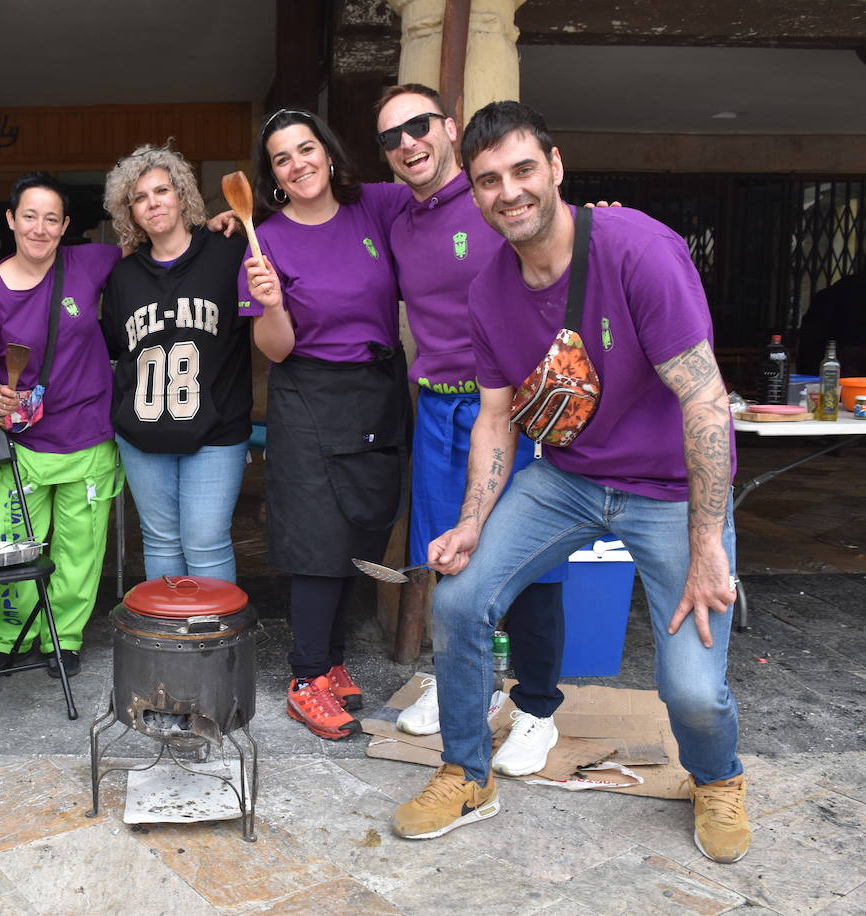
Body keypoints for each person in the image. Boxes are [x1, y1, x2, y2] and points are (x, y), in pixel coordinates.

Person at [390, 102, 749, 865]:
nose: (508, 191)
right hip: (569, 479)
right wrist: (471, 523)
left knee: (689, 688)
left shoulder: (637, 250)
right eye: (488, 180)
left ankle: (717, 778)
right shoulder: (489, 291)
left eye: (523, 170)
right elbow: (496, 420)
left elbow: (706, 399)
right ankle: (465, 772)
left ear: (555, 167)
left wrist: (709, 541)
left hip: (669, 492)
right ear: (475, 191)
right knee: (457, 599)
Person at [376, 83, 568, 777]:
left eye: (419, 126)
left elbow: (565, 242)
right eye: (391, 138)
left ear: (448, 128)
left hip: (513, 408)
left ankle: (539, 709)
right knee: (444, 557)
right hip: (436, 406)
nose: (407, 144)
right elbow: (318, 205)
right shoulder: (395, 213)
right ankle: (473, 688)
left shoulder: (498, 199)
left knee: (532, 566)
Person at [240, 109, 412, 740]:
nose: (298, 164)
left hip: (376, 389)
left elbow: (444, 198)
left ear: (329, 152)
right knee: (317, 538)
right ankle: (306, 676)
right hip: (309, 393)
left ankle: (333, 661)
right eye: (283, 158)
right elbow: (277, 349)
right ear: (274, 176)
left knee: (360, 529)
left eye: (305, 149)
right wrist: (272, 302)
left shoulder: (375, 207)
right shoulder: (267, 241)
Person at [0, 172, 124, 678]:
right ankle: (9, 634)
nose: (39, 227)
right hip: (24, 442)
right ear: (11, 219)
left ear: (66, 225)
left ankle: (62, 638)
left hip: (89, 435)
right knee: (9, 543)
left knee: (80, 549)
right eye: (29, 215)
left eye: (52, 218)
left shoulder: (89, 261)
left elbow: (153, 243)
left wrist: (214, 226)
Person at [99, 143, 251, 583]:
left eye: (161, 190)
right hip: (143, 432)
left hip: (216, 431)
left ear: (182, 194)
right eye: (140, 197)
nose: (153, 203)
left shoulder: (228, 253)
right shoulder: (123, 276)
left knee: (206, 540)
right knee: (161, 539)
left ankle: (214, 642)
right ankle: (169, 645)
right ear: (130, 212)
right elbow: (114, 346)